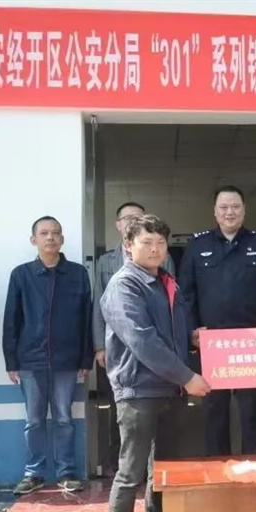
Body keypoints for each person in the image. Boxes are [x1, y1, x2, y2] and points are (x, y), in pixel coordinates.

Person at [102, 214, 211, 512]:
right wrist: (188, 376)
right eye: (146, 242)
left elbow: (172, 334)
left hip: (170, 390)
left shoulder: (167, 282)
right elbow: (143, 340)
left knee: (162, 472)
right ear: (128, 245)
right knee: (130, 472)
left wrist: (192, 339)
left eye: (161, 243)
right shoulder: (124, 286)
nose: (154, 249)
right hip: (139, 390)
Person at [179, 186, 256, 457]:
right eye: (223, 207)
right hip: (212, 343)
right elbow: (185, 295)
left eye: (235, 206)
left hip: (252, 344)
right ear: (215, 212)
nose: (229, 212)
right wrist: (191, 331)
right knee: (214, 411)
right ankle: (217, 467)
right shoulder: (198, 246)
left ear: (244, 210)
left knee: (252, 412)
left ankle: (254, 466)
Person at [3, 216, 93, 495]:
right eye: (44, 233)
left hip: (67, 360)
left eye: (55, 233)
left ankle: (67, 472)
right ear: (34, 240)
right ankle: (34, 473)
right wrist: (11, 361)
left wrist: (85, 358)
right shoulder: (21, 275)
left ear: (62, 239)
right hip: (30, 361)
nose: (50, 238)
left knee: (64, 418)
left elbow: (86, 319)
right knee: (34, 420)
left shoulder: (77, 274)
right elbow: (11, 320)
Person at [92, 202, 176, 474]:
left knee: (158, 448)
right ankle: (119, 465)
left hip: (159, 368)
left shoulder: (162, 265)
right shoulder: (112, 269)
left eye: (138, 217)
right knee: (126, 426)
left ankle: (151, 489)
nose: (154, 248)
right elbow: (99, 305)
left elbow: (171, 309)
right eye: (127, 218)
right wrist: (100, 345)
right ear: (120, 228)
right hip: (128, 362)